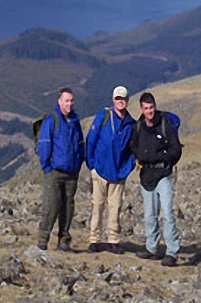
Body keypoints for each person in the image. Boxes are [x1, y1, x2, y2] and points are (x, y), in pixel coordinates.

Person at [131, 92, 182, 267]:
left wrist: (165, 160)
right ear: (142, 109)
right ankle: (151, 247)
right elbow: (134, 147)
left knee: (167, 213)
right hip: (146, 176)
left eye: (151, 107)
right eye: (146, 108)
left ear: (155, 106)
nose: (149, 111)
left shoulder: (164, 125)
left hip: (163, 175)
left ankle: (172, 251)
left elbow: (176, 149)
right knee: (150, 215)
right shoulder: (138, 127)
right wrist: (142, 157)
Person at [86, 86, 136, 254]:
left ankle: (113, 240)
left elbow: (134, 149)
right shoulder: (104, 117)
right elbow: (91, 140)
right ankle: (95, 240)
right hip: (100, 170)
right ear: (113, 100)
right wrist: (91, 164)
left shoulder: (131, 124)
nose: (120, 101)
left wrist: (128, 167)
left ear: (127, 100)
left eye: (123, 98)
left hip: (119, 173)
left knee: (115, 207)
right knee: (97, 205)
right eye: (117, 98)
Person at [37, 87, 85, 252]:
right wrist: (47, 167)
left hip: (72, 172)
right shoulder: (52, 121)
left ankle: (64, 241)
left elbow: (80, 145)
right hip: (55, 172)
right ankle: (43, 239)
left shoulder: (75, 122)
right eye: (67, 100)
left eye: (71, 100)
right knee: (51, 206)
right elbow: (44, 145)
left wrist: (78, 164)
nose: (70, 104)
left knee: (68, 208)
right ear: (59, 102)